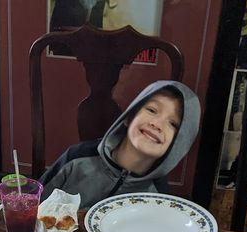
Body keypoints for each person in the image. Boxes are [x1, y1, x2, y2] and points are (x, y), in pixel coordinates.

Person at [39, 80, 200, 209]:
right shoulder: (76, 158)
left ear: (178, 146)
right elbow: (31, 205)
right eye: (151, 110)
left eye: (173, 123)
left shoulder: (159, 196)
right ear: (129, 116)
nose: (157, 124)